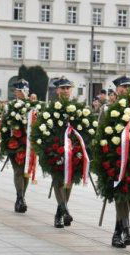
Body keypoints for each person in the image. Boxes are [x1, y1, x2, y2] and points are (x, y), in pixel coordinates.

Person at [110, 75, 130, 249]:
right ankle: (125, 228)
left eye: (128, 86)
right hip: (115, 159)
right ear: (117, 89)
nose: (125, 89)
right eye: (122, 87)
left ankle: (118, 232)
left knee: (129, 196)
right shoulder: (109, 109)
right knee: (120, 195)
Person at [51, 77, 76, 228]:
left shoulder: (76, 107)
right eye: (63, 88)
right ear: (57, 90)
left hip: (72, 150)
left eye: (68, 88)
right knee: (58, 180)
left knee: (69, 182)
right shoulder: (52, 107)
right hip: (55, 149)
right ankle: (64, 209)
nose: (66, 90)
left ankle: (60, 211)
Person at [8, 79, 32, 213]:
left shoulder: (32, 106)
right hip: (14, 143)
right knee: (18, 171)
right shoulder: (10, 106)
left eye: (25, 90)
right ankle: (19, 197)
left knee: (26, 172)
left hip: (28, 144)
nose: (23, 93)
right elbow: (5, 125)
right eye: (20, 91)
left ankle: (22, 196)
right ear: (15, 92)